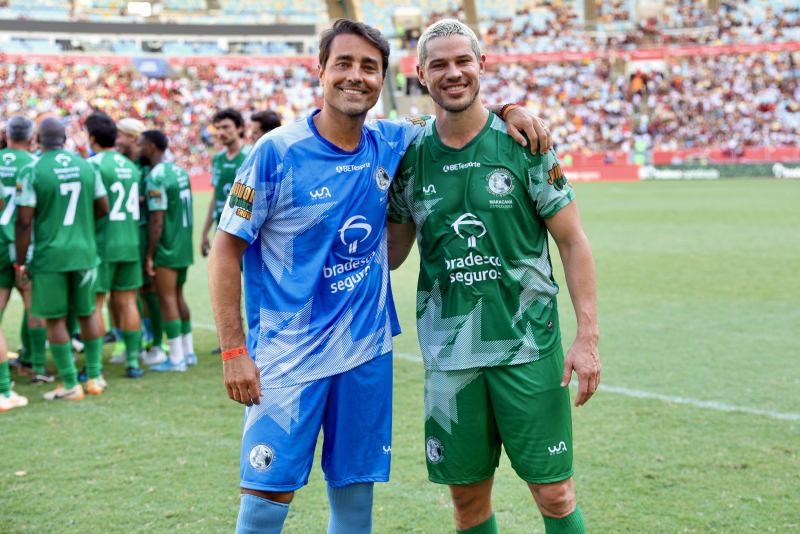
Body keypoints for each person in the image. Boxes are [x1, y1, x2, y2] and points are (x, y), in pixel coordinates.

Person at [207, 18, 553, 534]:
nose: (355, 76)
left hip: (364, 353)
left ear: (384, 78)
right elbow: (224, 251)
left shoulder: (394, 142)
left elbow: (458, 118)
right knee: (265, 497)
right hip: (287, 356)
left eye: (369, 67)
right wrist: (235, 350)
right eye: (343, 63)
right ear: (319, 70)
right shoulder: (276, 152)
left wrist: (509, 109)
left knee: (354, 496)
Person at [386, 20, 600, 534]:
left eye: (463, 61)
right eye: (438, 64)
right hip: (449, 357)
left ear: (483, 66)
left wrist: (588, 338)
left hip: (528, 345)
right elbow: (391, 255)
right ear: (420, 74)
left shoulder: (524, 143)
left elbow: (572, 241)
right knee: (466, 502)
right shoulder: (409, 156)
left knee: (554, 493)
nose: (452, 73)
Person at [15, 117, 110, 401]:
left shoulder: (33, 170)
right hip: (84, 253)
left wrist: (21, 263)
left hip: (49, 256)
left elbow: (23, 222)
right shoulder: (86, 165)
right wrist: (82, 228)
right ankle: (94, 377)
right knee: (88, 312)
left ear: (37, 140)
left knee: (55, 320)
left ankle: (70, 383)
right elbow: (103, 207)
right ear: (65, 138)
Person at [85, 112, 145, 378]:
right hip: (130, 241)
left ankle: (93, 366)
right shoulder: (129, 166)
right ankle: (132, 362)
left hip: (103, 243)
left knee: (95, 305)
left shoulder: (93, 164)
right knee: (128, 302)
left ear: (92, 138)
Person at [0, 116, 52, 385]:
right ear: (32, 138)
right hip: (26, 242)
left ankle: (3, 375)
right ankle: (37, 367)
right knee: (34, 305)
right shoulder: (35, 165)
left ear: (6, 134)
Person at [139, 131, 195, 372]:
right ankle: (188, 352)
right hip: (183, 245)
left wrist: (149, 254)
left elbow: (157, 220)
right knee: (179, 296)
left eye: (140, 145)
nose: (137, 149)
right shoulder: (179, 170)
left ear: (151, 148)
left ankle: (175, 358)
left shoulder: (156, 176)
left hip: (167, 246)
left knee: (167, 299)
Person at [117, 118, 166, 362]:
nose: (117, 141)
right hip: (127, 234)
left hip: (143, 235)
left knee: (148, 289)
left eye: (120, 136)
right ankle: (135, 344)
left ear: (132, 138)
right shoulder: (125, 164)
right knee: (129, 292)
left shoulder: (146, 168)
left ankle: (156, 344)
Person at [200, 109, 252, 259]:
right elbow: (216, 196)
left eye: (226, 127)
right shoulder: (217, 158)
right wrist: (205, 233)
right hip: (222, 228)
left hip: (244, 229)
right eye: (218, 128)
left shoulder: (251, 155)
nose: (220, 132)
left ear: (239, 128)